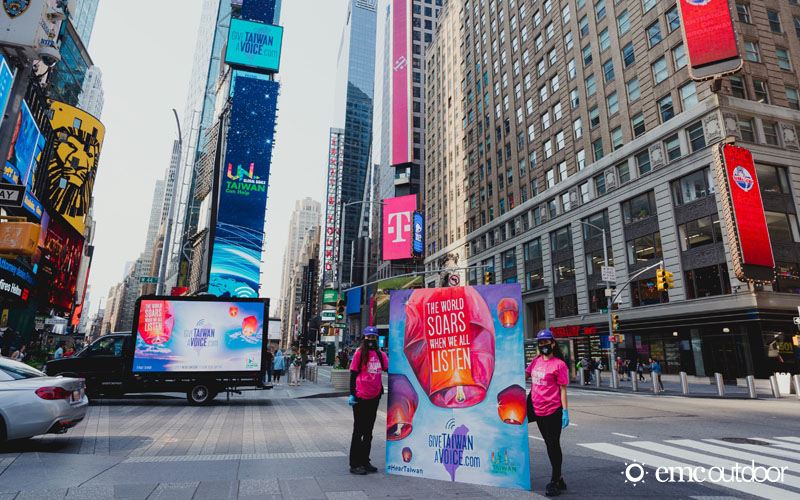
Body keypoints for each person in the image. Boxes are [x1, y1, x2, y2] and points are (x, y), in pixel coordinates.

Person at [526, 330, 569, 497]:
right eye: (540, 342)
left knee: (552, 445)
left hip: (552, 411)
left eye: (546, 342)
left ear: (553, 343)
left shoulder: (559, 365)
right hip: (536, 409)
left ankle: (555, 481)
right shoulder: (536, 360)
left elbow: (563, 390)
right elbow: (525, 374)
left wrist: (565, 411)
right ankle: (560, 477)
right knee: (547, 444)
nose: (543, 345)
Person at [348, 326, 388, 475]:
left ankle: (365, 461)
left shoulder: (380, 354)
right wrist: (352, 394)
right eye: (368, 337)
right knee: (358, 430)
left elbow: (388, 368)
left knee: (369, 431)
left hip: (374, 396)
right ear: (364, 338)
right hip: (360, 397)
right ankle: (354, 463)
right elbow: (353, 374)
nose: (371, 339)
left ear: (376, 339)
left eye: (373, 337)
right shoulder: (359, 353)